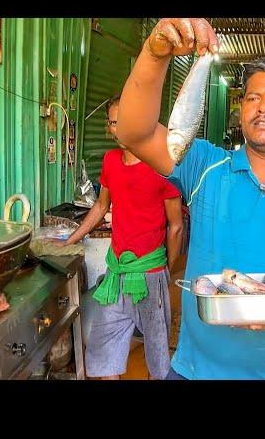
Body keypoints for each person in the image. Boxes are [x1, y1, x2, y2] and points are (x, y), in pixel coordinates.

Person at [114, 18, 265, 380]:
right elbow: (135, 132)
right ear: (240, 109)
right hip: (193, 370)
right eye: (253, 98)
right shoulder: (203, 166)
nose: (263, 107)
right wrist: (154, 52)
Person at [57, 94, 184, 380]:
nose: (119, 130)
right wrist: (70, 239)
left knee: (157, 358)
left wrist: (164, 270)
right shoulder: (111, 160)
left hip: (150, 275)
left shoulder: (162, 166)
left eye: (124, 122)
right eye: (113, 123)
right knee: (104, 355)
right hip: (116, 274)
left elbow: (175, 226)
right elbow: (101, 206)